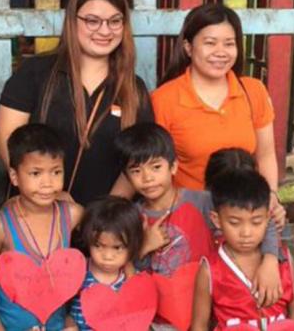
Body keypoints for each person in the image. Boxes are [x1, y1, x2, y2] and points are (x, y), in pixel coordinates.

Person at [0, 0, 153, 205]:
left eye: (115, 21)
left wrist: (103, 214)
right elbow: (4, 139)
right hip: (38, 215)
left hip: (104, 228)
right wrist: (50, 195)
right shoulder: (36, 72)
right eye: (92, 21)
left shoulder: (133, 88)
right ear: (72, 20)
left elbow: (138, 158)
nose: (105, 31)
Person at [114, 122, 283, 324]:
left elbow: (262, 220)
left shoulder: (202, 201)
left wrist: (271, 260)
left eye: (156, 167)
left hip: (210, 312)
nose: (147, 177)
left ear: (174, 166)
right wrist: (144, 247)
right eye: (136, 171)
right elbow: (125, 271)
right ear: (126, 176)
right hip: (159, 320)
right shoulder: (132, 218)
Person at [152, 4, 281, 222]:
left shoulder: (253, 91)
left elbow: (266, 154)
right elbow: (154, 168)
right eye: (210, 43)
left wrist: (270, 197)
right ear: (188, 47)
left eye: (229, 44)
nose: (220, 52)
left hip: (243, 219)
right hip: (187, 219)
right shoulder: (163, 99)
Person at [0, 123, 83, 329]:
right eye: (36, 174)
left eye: (56, 172)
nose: (47, 183)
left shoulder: (72, 215)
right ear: (14, 176)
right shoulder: (0, 227)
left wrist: (71, 321)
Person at [191, 170, 294, 330]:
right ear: (216, 220)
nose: (246, 233)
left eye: (256, 222)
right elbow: (199, 325)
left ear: (268, 218)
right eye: (235, 223)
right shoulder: (210, 269)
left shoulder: (284, 259)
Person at [67, 196, 144, 330]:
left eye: (117, 247)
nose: (107, 256)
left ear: (132, 244)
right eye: (98, 246)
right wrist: (70, 325)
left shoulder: (132, 280)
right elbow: (64, 311)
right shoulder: (78, 271)